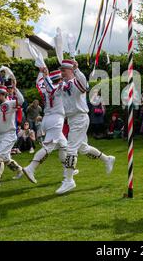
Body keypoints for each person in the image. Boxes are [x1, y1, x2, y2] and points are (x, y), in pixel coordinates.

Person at [55, 59, 115, 195]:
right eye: (61, 69)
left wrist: (77, 70)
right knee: (83, 148)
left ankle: (69, 180)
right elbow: (54, 94)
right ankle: (108, 159)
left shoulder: (77, 81)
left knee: (70, 148)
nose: (61, 72)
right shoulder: (63, 85)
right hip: (72, 119)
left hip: (79, 118)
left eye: (64, 70)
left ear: (70, 70)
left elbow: (84, 85)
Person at [22, 68, 70, 193]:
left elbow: (39, 83)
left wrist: (41, 70)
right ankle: (30, 168)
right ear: (59, 79)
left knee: (64, 145)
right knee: (48, 147)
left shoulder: (44, 88)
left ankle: (68, 170)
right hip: (56, 119)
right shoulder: (58, 87)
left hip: (47, 119)